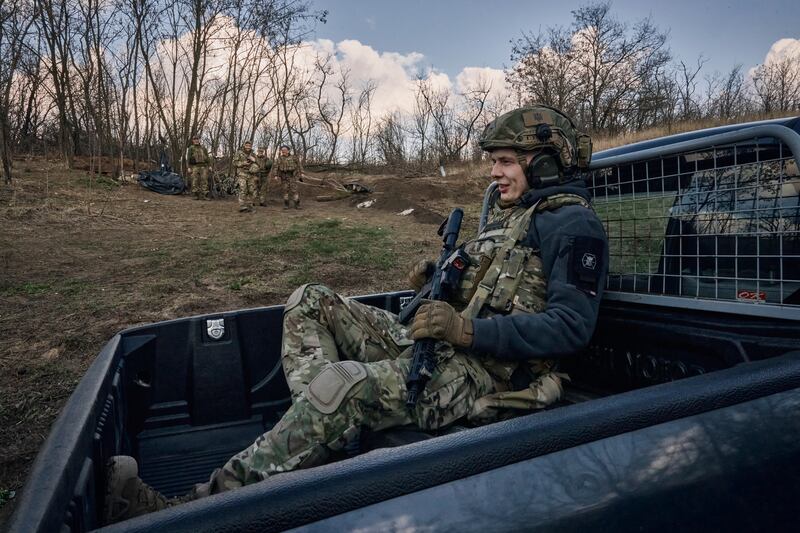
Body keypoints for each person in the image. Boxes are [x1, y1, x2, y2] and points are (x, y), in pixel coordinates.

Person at [103, 105, 609, 524]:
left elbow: (571, 327)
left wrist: (465, 329)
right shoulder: (512, 219)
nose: (493, 172)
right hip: (438, 347)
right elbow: (488, 291)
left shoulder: (572, 224)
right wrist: (434, 282)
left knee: (344, 386)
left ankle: (187, 511)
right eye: (494, 162)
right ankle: (320, 434)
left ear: (543, 163)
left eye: (504, 162)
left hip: (487, 376)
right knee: (311, 298)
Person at [232, 141, 260, 212]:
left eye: (249, 146)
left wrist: (254, 160)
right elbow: (234, 162)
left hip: (251, 174)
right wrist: (243, 163)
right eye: (246, 145)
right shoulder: (239, 153)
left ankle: (250, 206)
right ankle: (242, 206)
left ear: (251, 146)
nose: (248, 147)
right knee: (243, 189)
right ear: (244, 145)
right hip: (242, 174)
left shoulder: (253, 154)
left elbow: (259, 164)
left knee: (251, 190)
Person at [273, 145, 303, 209]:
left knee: (294, 191)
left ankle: (297, 204)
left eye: (285, 150)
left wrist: (301, 173)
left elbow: (299, 165)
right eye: (282, 150)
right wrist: (275, 175)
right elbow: (276, 167)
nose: (283, 151)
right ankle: (286, 205)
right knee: (285, 191)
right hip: (284, 177)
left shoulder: (294, 157)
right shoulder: (279, 159)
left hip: (292, 176)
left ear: (288, 151)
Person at [186, 134, 212, 200]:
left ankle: (205, 195)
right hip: (195, 166)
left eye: (197, 139)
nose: (196, 140)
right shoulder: (191, 148)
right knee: (194, 180)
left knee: (204, 180)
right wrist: (188, 167)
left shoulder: (203, 148)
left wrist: (209, 166)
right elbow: (188, 158)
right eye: (195, 139)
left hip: (203, 166)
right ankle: (195, 195)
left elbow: (207, 158)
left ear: (199, 140)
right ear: (193, 141)